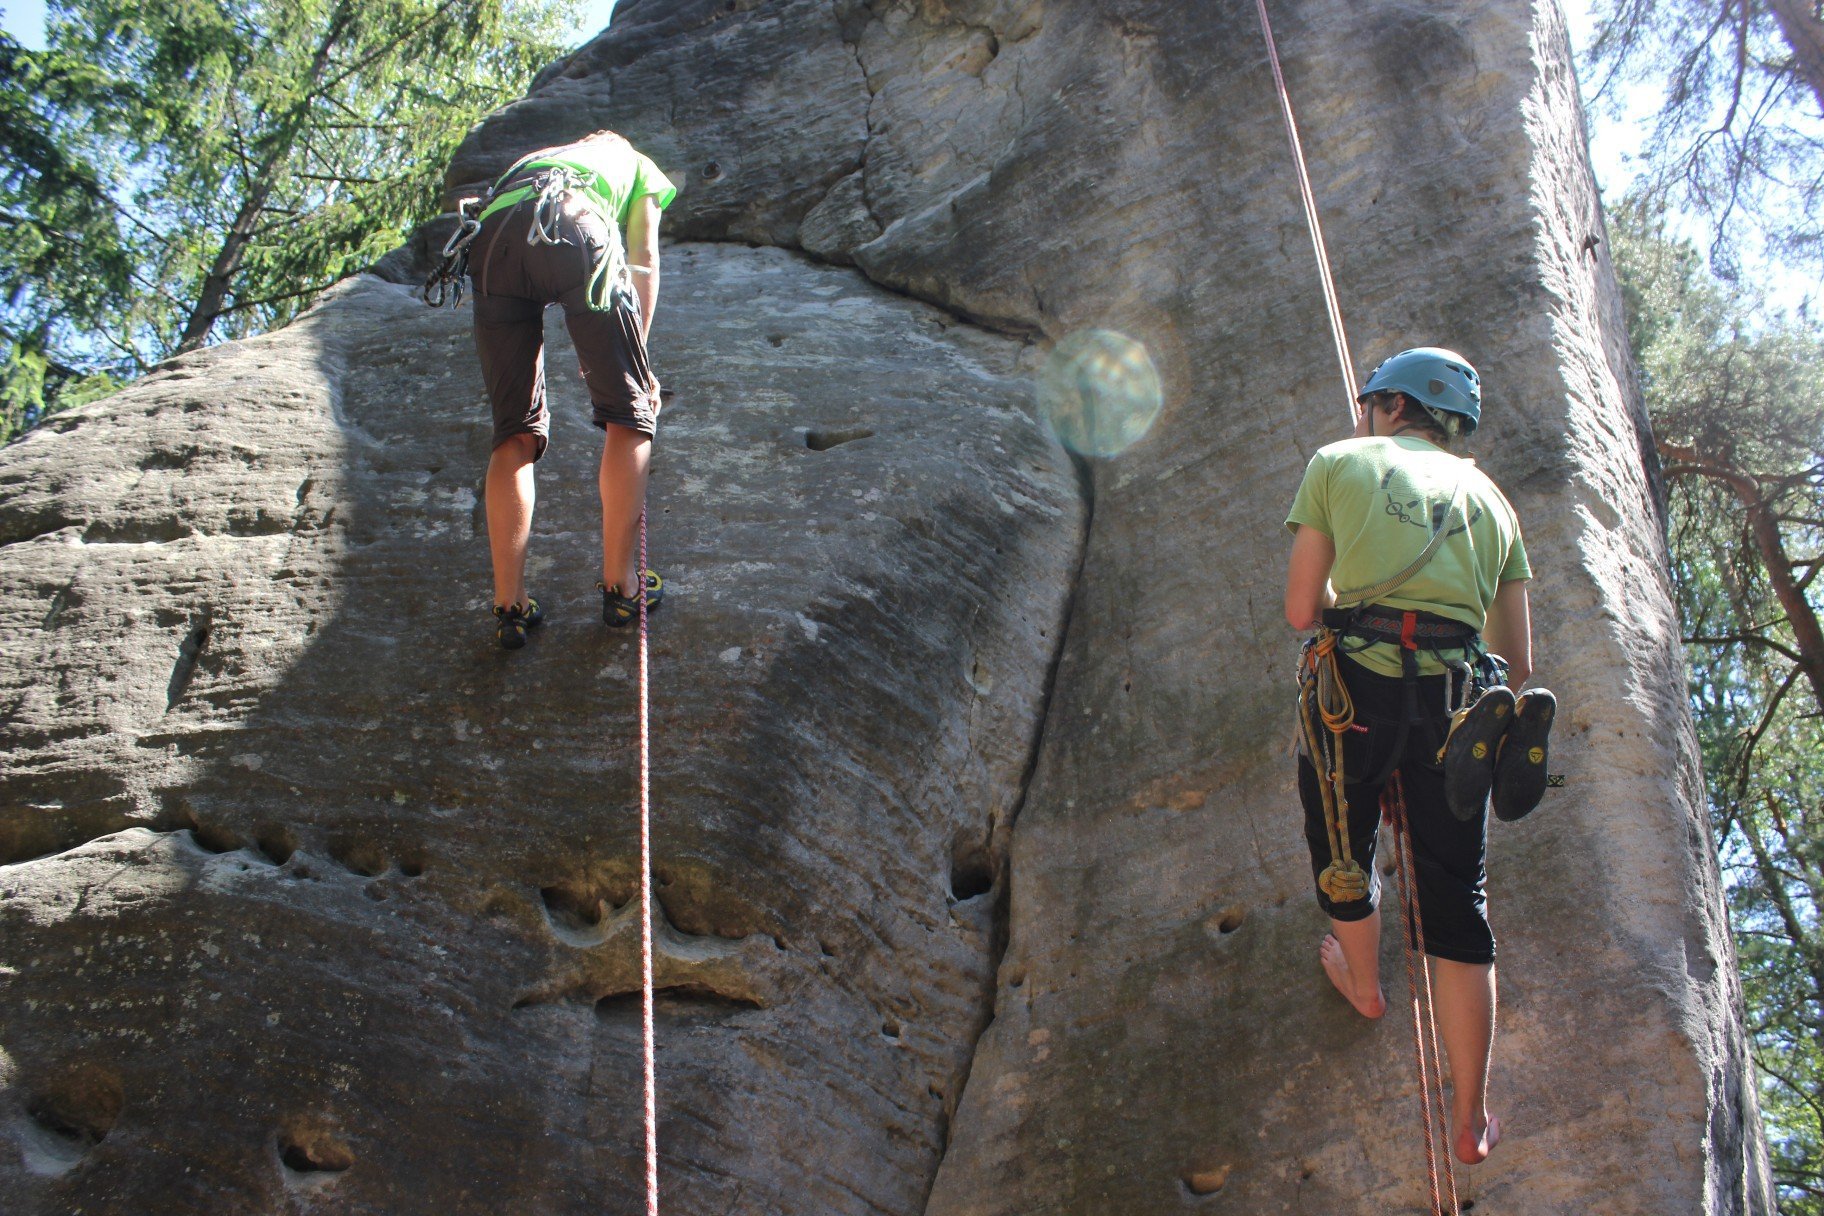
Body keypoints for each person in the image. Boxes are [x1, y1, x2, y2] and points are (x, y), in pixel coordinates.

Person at [1283, 347, 1556, 1166]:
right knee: (1457, 894)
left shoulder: (1339, 462)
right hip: (1454, 705)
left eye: (1372, 404)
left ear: (1392, 406)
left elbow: (1302, 608)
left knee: (1344, 849)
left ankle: (1366, 986)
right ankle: (1471, 1120)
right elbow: (1517, 658)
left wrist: (1362, 594)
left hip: (1354, 696)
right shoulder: (1494, 502)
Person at [468, 129, 677, 649]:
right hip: (572, 223)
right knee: (628, 412)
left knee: (513, 432)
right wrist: (636, 361)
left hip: (493, 242)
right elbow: (643, 258)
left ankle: (510, 604)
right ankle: (621, 585)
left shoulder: (538, 154)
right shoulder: (636, 161)